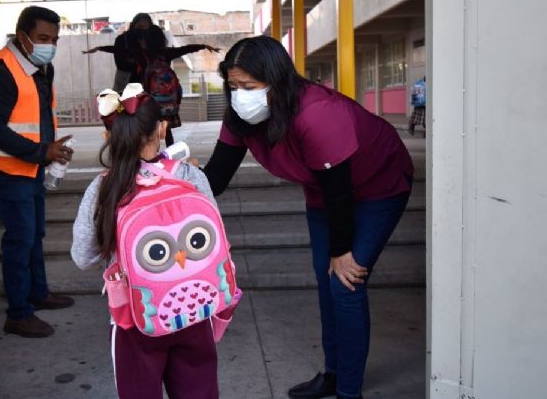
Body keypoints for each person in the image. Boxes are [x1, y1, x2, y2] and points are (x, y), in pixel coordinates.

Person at [201, 36, 414, 399]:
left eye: (249, 86)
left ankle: (349, 391)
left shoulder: (316, 113)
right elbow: (216, 177)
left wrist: (342, 251)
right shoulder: (240, 117)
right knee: (325, 277)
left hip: (379, 184)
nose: (240, 95)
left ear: (277, 80)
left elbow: (341, 193)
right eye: (233, 86)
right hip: (324, 191)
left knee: (344, 283)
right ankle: (333, 374)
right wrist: (171, 184)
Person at [70, 84, 221, 399]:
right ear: (163, 127)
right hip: (193, 309)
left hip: (135, 318)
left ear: (108, 137)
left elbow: (83, 256)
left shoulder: (103, 189)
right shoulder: (191, 177)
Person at [0, 6, 75, 338]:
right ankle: (18, 313)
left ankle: (37, 293)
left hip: (30, 168)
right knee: (19, 240)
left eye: (55, 39)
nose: (50, 45)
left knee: (35, 236)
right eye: (43, 38)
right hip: (5, 171)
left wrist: (49, 149)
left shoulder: (42, 67)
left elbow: (35, 117)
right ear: (22, 36)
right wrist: (43, 151)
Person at [85, 23, 219, 146]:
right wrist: (204, 46)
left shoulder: (140, 54)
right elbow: (186, 49)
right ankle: (170, 151)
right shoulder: (166, 52)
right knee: (166, 128)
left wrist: (99, 48)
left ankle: (146, 152)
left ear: (144, 41)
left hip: (150, 97)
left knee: (145, 126)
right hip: (167, 99)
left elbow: (119, 50)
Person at [83, 13, 154, 91]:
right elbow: (120, 62)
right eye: (140, 27)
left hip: (147, 83)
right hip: (126, 81)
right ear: (134, 25)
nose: (143, 31)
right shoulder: (123, 39)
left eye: (146, 27)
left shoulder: (153, 40)